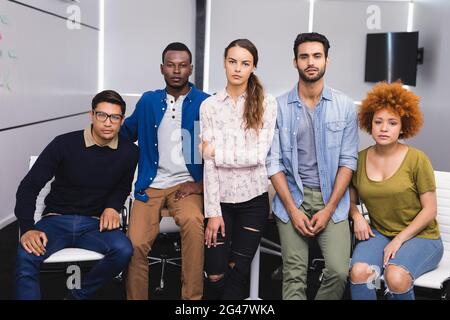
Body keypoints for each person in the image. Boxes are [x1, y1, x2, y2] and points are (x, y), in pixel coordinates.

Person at [14, 90, 138, 300]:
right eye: (102, 115)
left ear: (122, 120)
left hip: (94, 224)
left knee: (123, 249)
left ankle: (77, 296)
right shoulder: (64, 144)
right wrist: (27, 228)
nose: (108, 122)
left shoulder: (129, 152)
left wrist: (112, 207)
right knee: (25, 255)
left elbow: (122, 187)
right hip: (55, 221)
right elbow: (28, 186)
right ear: (92, 115)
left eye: (114, 117)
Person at [266, 32, 359, 300]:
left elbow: (348, 161)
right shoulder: (278, 106)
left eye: (317, 56)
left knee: (339, 271)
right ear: (295, 62)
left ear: (327, 60)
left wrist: (329, 208)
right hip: (292, 198)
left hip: (333, 199)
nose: (311, 62)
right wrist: (293, 211)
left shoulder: (344, 106)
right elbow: (273, 163)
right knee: (293, 274)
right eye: (304, 56)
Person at [122, 42, 209, 300]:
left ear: (190, 69)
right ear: (162, 68)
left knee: (194, 225)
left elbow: (218, 148)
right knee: (135, 243)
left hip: (187, 184)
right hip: (151, 185)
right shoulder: (148, 101)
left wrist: (201, 184)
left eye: (182, 65)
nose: (176, 70)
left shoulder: (206, 103)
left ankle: (192, 301)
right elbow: (126, 134)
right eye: (171, 65)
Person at [349, 81, 443, 300]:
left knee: (396, 276)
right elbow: (350, 201)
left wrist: (399, 239)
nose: (384, 128)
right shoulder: (359, 159)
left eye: (392, 123)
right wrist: (356, 216)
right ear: (369, 124)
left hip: (422, 237)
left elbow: (430, 210)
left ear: (403, 127)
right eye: (378, 122)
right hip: (380, 233)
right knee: (360, 272)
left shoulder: (417, 159)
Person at [200, 38, 277, 300]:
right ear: (224, 63)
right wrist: (212, 212)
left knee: (237, 269)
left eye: (245, 63)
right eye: (232, 62)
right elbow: (208, 166)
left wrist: (215, 152)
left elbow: (257, 156)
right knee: (215, 273)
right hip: (219, 202)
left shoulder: (267, 103)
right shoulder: (209, 106)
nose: (237, 68)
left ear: (253, 67)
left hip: (253, 200)